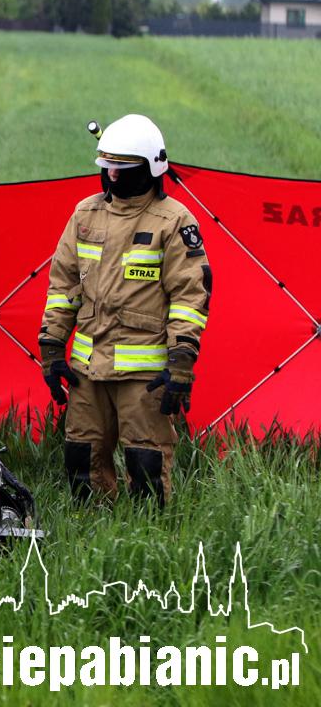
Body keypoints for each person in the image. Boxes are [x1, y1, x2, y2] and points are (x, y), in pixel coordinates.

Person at [39, 114, 211, 506]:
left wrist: (181, 363)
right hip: (87, 370)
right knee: (81, 458)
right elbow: (63, 286)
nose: (113, 175)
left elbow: (189, 296)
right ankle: (90, 530)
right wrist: (51, 347)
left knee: (146, 463)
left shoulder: (174, 221)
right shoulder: (85, 215)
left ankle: (149, 535)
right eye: (107, 166)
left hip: (143, 375)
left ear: (151, 168)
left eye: (123, 167)